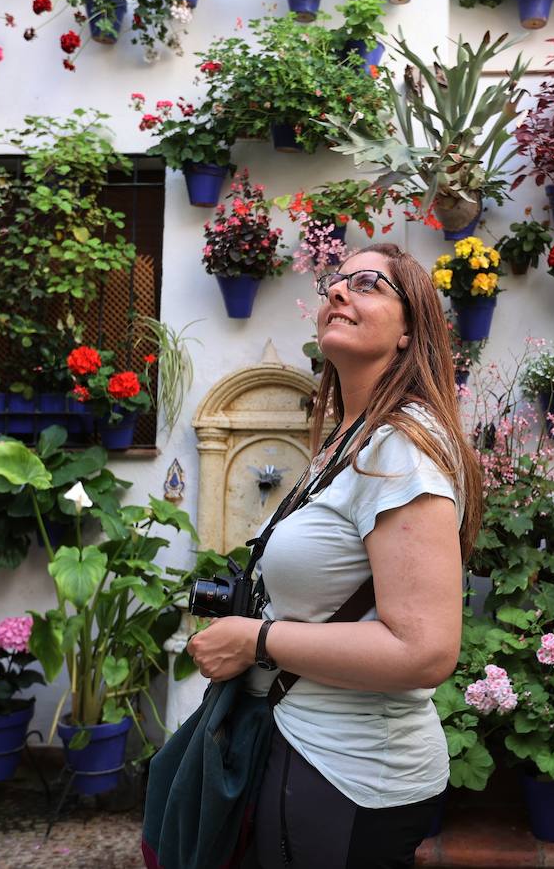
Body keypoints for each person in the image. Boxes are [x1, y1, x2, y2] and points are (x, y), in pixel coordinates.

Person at [188, 243, 483, 868]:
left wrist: (256, 640)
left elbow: (425, 650)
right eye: (335, 282)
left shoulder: (400, 450)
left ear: (409, 331)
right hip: (305, 750)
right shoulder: (348, 444)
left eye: (369, 283)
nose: (339, 292)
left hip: (349, 771)